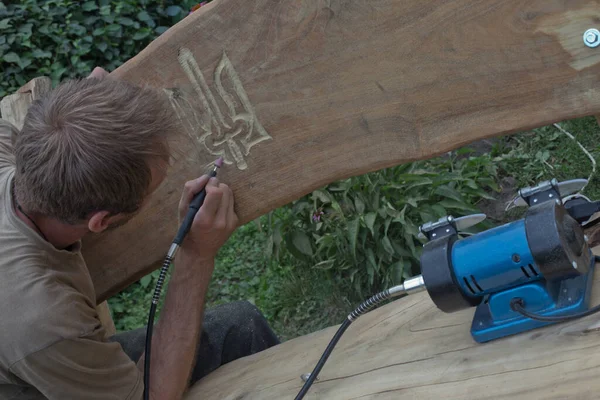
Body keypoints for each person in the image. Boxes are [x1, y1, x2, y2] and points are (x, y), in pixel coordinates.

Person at [0, 68, 279, 399]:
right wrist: (195, 257)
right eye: (156, 188)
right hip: (28, 382)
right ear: (101, 221)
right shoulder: (44, 319)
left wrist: (85, 112)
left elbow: (63, 130)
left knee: (240, 326)